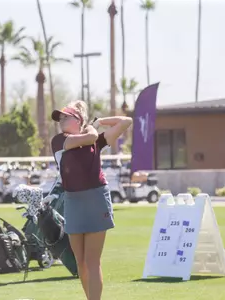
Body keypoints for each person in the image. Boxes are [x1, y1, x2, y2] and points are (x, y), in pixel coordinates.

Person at [50, 101, 132, 300]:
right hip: (72, 200)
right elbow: (90, 136)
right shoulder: (60, 141)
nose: (61, 121)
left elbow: (125, 121)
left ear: (78, 120)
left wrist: (100, 121)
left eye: (66, 117)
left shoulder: (94, 139)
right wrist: (90, 127)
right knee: (81, 263)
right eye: (60, 118)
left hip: (96, 197)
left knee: (92, 260)